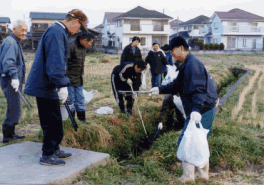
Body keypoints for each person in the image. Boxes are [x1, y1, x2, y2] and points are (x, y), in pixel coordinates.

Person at [24, 9, 88, 166]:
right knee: (51, 120)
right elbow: (56, 61)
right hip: (46, 85)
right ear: (74, 21)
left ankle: (54, 148)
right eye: (79, 27)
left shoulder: (59, 31)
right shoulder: (56, 32)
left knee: (56, 119)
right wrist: (62, 84)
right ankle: (47, 154)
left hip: (49, 83)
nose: (78, 31)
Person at [149, 36, 218, 183]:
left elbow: (199, 90)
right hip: (198, 108)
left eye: (172, 51)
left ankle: (190, 176)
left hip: (202, 109)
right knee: (196, 141)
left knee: (190, 141)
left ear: (181, 48)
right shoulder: (186, 64)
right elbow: (176, 85)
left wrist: (196, 110)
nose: (171, 54)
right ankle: (200, 174)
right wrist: (160, 89)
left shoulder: (193, 65)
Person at [0, 20, 28, 143]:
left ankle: (11, 133)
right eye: (22, 30)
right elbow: (8, 62)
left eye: (26, 30)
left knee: (14, 107)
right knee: (14, 107)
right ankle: (7, 136)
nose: (24, 33)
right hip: (10, 79)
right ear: (14, 29)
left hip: (13, 79)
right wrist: (14, 77)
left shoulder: (14, 41)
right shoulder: (10, 42)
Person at [67, 32, 94, 124]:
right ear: (84, 40)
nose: (90, 44)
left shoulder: (83, 48)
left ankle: (82, 120)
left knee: (80, 99)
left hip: (78, 77)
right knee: (71, 100)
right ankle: (71, 121)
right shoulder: (71, 45)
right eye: (90, 42)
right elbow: (64, 63)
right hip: (68, 78)